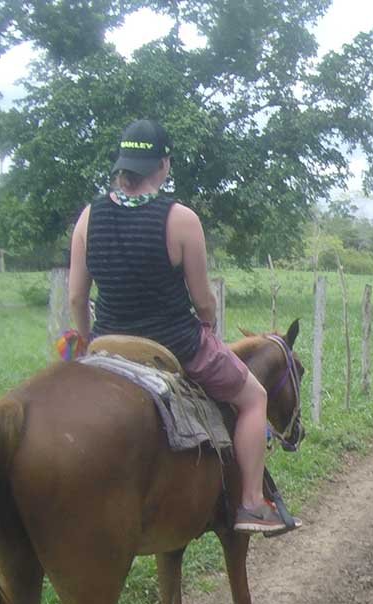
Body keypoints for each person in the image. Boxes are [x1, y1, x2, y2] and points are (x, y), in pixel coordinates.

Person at [68, 118, 299, 536]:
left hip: (107, 346)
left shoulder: (89, 217)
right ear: (164, 166)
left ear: (122, 165)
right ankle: (249, 502)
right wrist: (208, 323)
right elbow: (202, 299)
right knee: (253, 397)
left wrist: (87, 344)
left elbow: (74, 298)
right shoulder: (181, 219)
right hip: (173, 344)